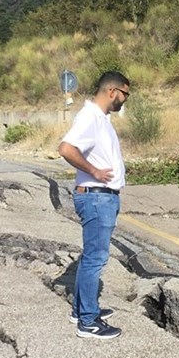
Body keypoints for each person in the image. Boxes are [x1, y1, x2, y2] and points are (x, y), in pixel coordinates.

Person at [59, 71, 130, 339]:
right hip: (97, 196)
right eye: (125, 94)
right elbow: (66, 148)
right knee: (95, 259)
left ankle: (81, 310)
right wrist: (94, 171)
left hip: (100, 196)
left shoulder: (100, 119)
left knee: (91, 257)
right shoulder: (90, 117)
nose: (125, 100)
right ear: (112, 91)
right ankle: (88, 322)